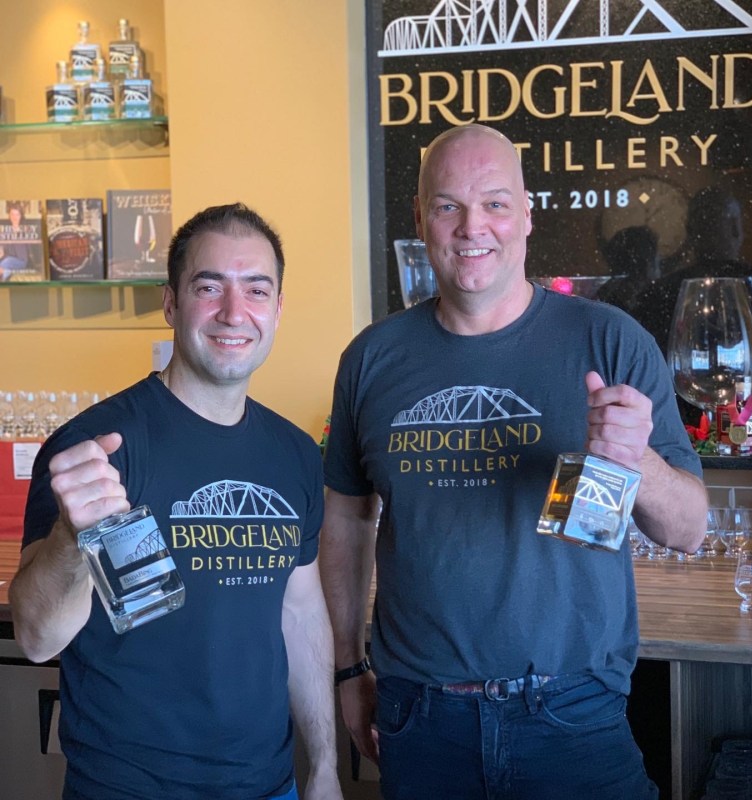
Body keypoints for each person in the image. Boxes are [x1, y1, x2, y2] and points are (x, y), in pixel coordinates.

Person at [320, 125, 707, 800]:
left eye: (495, 204)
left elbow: (688, 529)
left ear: (527, 214)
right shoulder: (371, 359)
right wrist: (348, 669)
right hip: (420, 719)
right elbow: (348, 522)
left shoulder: (609, 341)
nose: (473, 227)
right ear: (420, 217)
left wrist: (636, 461)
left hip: (573, 712)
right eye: (448, 206)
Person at [10, 203, 343, 800]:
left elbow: (299, 611)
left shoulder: (293, 453)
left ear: (277, 310)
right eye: (209, 287)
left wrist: (323, 767)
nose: (234, 312)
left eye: (256, 290)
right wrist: (70, 539)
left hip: (270, 785)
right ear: (170, 303)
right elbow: (37, 639)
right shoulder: (99, 448)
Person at [631, 186, 752, 418]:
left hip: (749, 420)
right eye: (728, 222)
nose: (735, 231)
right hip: (682, 421)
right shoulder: (662, 293)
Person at [0, 202, 33, 280]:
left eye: (17, 214)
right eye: (12, 214)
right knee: (5, 263)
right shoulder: (4, 231)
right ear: (9, 216)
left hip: (21, 261)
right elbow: (1, 251)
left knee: (7, 261)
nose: (14, 217)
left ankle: (5, 273)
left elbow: (31, 249)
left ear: (21, 216)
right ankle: (6, 273)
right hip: (6, 259)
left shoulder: (26, 229)